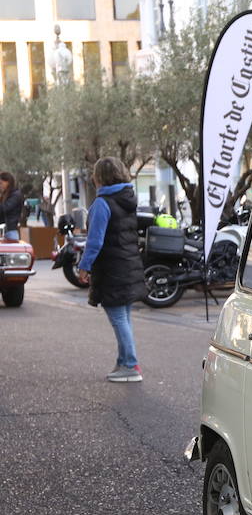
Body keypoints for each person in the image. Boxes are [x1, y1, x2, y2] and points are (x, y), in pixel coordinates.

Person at [79, 157, 146, 383]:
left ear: (99, 177)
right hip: (127, 265)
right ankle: (123, 361)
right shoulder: (127, 198)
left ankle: (130, 365)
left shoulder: (102, 203)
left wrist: (84, 266)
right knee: (123, 316)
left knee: (118, 317)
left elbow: (95, 241)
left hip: (111, 269)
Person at [0, 172, 23, 242]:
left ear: (8, 182)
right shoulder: (4, 195)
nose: (0, 186)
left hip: (10, 230)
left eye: (1, 183)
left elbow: (5, 208)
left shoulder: (15, 195)